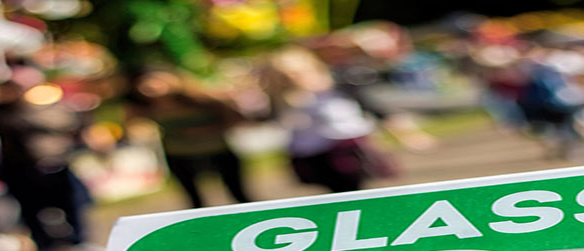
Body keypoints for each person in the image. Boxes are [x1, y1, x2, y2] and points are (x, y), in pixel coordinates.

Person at [0, 67, 93, 251]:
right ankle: (45, 247)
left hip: (57, 164)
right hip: (20, 169)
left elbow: (74, 126)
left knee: (72, 204)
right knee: (31, 209)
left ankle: (79, 243)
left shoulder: (54, 106)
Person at [263, 47, 394, 193]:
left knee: (353, 187)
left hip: (344, 144)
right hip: (312, 150)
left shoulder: (338, 83)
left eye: (295, 73)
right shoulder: (284, 97)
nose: (293, 78)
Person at [134, 71, 251, 208]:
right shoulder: (147, 108)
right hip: (179, 155)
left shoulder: (202, 100)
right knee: (194, 201)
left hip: (215, 151)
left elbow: (236, 118)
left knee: (238, 194)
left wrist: (207, 131)